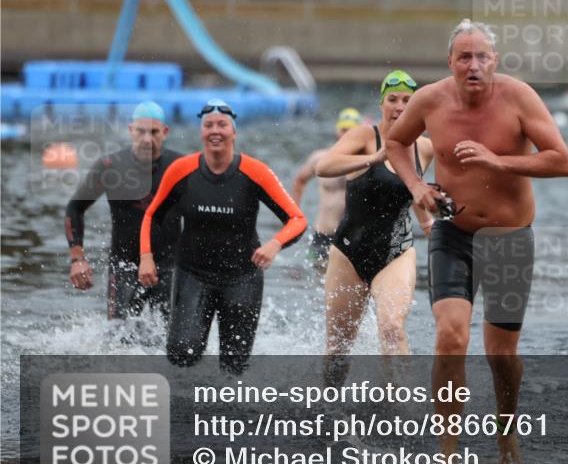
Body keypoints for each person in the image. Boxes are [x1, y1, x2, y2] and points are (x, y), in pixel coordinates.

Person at [385, 19, 568, 464]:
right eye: (464, 57)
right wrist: (414, 186)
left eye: (482, 56)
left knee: (500, 356)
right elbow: (394, 141)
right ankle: (447, 454)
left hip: (510, 238)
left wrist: (498, 160)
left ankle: (506, 432)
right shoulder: (430, 99)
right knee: (450, 336)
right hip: (454, 232)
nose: (473, 65)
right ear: (450, 62)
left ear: (496, 61)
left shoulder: (519, 97)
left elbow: (562, 161)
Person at [138, 99, 306, 375]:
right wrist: (146, 257)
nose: (215, 130)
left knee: (234, 368)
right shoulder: (182, 170)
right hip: (193, 273)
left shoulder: (255, 172)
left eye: (222, 125)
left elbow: (297, 220)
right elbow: (151, 216)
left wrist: (275, 244)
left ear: (234, 132)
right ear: (201, 132)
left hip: (243, 277)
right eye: (208, 125)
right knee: (182, 354)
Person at [313, 73, 435, 377]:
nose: (399, 107)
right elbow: (323, 167)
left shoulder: (425, 148)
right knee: (338, 349)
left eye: (407, 101)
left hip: (396, 252)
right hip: (348, 254)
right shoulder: (364, 136)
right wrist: (373, 158)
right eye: (393, 100)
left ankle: (404, 410)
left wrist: (430, 224)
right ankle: (329, 412)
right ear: (382, 103)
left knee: (393, 328)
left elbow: (415, 189)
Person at [65, 101, 181, 319]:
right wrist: (77, 259)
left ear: (165, 132)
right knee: (118, 340)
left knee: (170, 344)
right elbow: (75, 208)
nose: (147, 139)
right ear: (131, 131)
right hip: (123, 267)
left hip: (170, 268)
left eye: (154, 132)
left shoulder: (180, 166)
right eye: (141, 131)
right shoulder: (110, 166)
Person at [291, 107, 361, 269]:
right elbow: (300, 180)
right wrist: (294, 215)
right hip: (322, 235)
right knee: (314, 278)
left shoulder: (365, 162)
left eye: (351, 131)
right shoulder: (320, 158)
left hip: (352, 236)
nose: (346, 134)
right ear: (337, 130)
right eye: (344, 129)